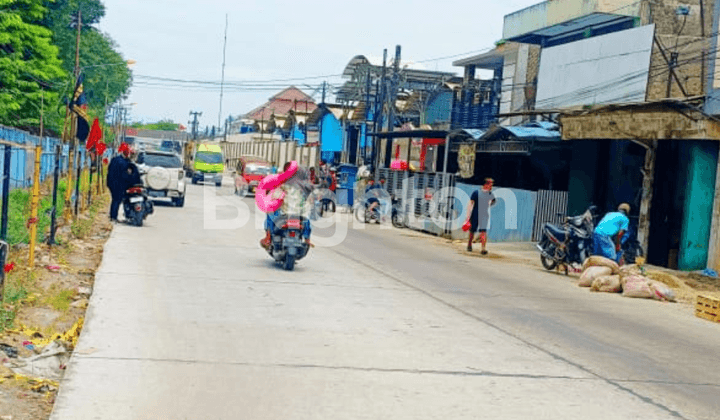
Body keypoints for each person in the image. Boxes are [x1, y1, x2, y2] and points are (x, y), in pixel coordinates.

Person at [260, 162, 314, 248]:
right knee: (307, 220)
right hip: (298, 214)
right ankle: (307, 239)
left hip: (285, 213)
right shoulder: (303, 183)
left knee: (270, 212)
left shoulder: (283, 181)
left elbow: (274, 194)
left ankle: (268, 237)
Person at [465, 178, 496, 254]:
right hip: (475, 213)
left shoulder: (489, 194)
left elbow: (493, 201)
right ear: (486, 184)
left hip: (484, 214)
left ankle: (483, 249)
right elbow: (470, 203)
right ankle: (469, 244)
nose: (491, 187)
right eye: (490, 185)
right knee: (472, 231)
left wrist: (489, 204)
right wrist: (468, 216)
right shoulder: (476, 193)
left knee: (483, 231)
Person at [106, 143, 135, 222]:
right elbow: (126, 174)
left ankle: (113, 216)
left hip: (111, 183)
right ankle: (113, 217)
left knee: (114, 200)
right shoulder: (124, 163)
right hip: (119, 185)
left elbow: (109, 170)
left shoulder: (115, 159)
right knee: (117, 200)